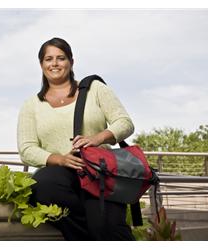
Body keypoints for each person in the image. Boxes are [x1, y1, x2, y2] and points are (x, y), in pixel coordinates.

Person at [17, 37, 135, 240]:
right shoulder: (31, 105)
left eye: (61, 58)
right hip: (61, 174)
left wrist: (97, 138)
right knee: (43, 184)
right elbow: (26, 149)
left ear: (71, 61)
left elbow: (124, 123)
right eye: (48, 59)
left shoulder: (95, 89)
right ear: (41, 64)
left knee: (109, 229)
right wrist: (61, 159)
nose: (54, 63)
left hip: (99, 171)